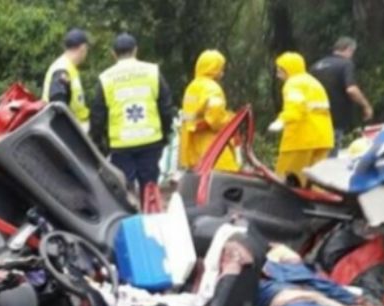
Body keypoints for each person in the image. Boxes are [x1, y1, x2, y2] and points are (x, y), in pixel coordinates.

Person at [90, 33, 173, 199]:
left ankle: (130, 214)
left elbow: (98, 115)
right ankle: (150, 213)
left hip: (121, 144)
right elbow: (166, 107)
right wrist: (165, 134)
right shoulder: (152, 72)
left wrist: (98, 143)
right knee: (150, 190)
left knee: (125, 193)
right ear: (135, 50)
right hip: (150, 140)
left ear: (113, 54)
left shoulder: (106, 78)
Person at [268, 52, 334, 186]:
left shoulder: (293, 84)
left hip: (301, 139)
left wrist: (281, 121)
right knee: (317, 181)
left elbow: (296, 108)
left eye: (280, 70)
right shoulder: (313, 82)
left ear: (288, 68)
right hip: (323, 138)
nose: (278, 74)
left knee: (287, 179)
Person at [310, 36, 373, 154]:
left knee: (317, 155)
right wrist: (366, 106)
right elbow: (351, 89)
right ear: (349, 49)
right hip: (335, 118)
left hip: (314, 117)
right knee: (331, 154)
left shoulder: (316, 65)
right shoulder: (345, 64)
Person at [180, 49, 238, 171]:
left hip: (192, 143)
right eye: (220, 68)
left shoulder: (192, 86)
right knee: (227, 173)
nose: (222, 72)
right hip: (211, 143)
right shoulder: (212, 88)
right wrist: (231, 120)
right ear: (213, 68)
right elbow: (215, 118)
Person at [42, 28, 91, 130]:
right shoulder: (62, 69)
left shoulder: (69, 67)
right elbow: (58, 104)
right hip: (66, 131)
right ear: (82, 48)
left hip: (74, 129)